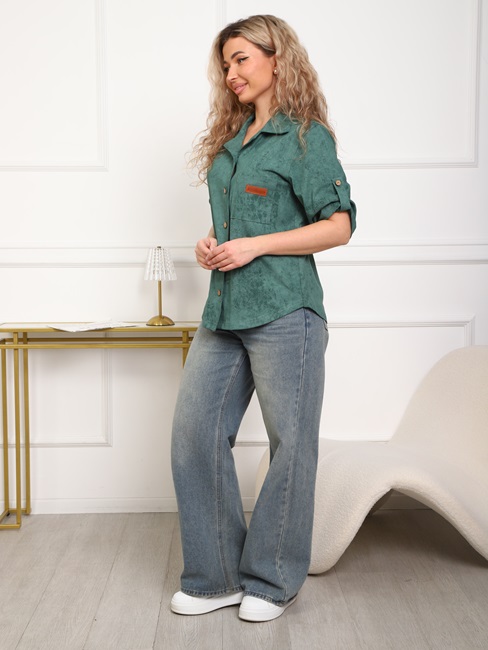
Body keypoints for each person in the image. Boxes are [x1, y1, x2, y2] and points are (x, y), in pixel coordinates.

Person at [170, 14, 356, 623]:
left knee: (291, 446)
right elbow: (240, 220)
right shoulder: (232, 142)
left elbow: (339, 226)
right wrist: (212, 242)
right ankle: (215, 578)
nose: (231, 73)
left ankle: (272, 582)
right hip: (224, 311)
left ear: (278, 60)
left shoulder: (305, 138)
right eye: (225, 63)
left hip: (286, 310)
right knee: (195, 436)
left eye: (242, 59)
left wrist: (255, 246)